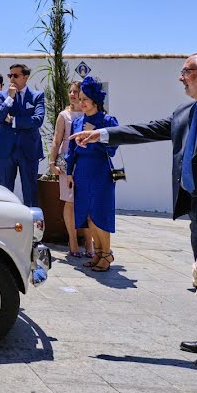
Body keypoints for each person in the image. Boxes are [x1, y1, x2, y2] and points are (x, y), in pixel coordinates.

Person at [71, 50, 197, 371]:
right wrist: (101, 134)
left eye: (186, 71)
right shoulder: (187, 111)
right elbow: (148, 129)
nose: (181, 77)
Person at [65, 77, 118, 271]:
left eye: (85, 98)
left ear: (95, 100)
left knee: (100, 213)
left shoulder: (108, 121)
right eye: (80, 99)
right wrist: (69, 172)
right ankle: (98, 253)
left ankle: (107, 253)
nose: (81, 103)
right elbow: (71, 150)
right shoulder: (77, 122)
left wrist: (95, 133)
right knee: (88, 215)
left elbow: (113, 149)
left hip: (100, 172)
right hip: (82, 173)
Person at [0, 64, 45, 207]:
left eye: (15, 75)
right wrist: (10, 98)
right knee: (5, 191)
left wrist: (13, 121)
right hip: (6, 149)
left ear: (25, 77)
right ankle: (5, 224)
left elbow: (38, 120)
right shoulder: (2, 96)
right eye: (10, 76)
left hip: (29, 150)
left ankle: (32, 225)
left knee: (30, 190)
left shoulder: (37, 96)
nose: (11, 79)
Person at [49, 81, 88, 256]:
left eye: (76, 91)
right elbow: (57, 140)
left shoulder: (91, 114)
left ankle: (89, 242)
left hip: (87, 162)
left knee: (87, 201)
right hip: (67, 162)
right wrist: (52, 163)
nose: (72, 94)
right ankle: (72, 240)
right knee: (70, 201)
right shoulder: (64, 115)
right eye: (70, 91)